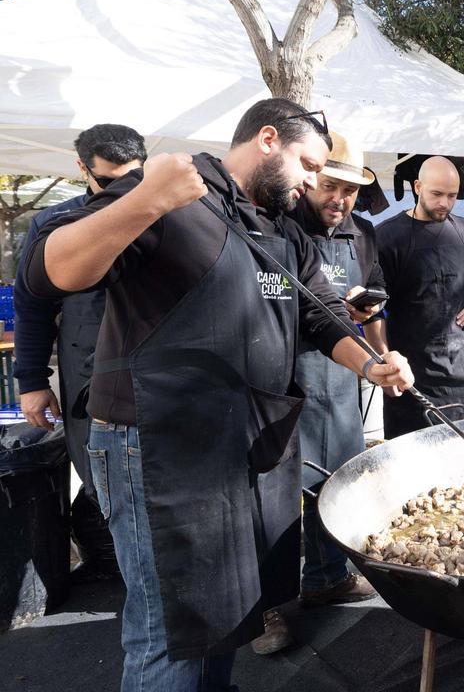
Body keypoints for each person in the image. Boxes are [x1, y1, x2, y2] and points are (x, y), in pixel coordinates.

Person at [20, 98, 415, 691]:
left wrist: (372, 363)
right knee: (172, 633)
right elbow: (48, 269)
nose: (314, 182)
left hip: (245, 446)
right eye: (308, 164)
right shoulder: (176, 194)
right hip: (157, 448)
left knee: (230, 614)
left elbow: (323, 314)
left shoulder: (283, 230)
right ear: (266, 139)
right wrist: (148, 197)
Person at [261, 132, 387, 653]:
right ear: (310, 180)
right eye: (332, 186)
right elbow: (266, 306)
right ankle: (264, 610)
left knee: (336, 484)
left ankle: (326, 579)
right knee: (275, 501)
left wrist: (379, 350)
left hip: (340, 381)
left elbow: (375, 307)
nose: (340, 200)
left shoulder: (361, 235)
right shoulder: (277, 230)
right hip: (284, 382)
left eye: (351, 192)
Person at [15, 123, 144, 584]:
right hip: (86, 375)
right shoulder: (56, 224)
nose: (120, 191)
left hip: (154, 375)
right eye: (107, 182)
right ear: (82, 170)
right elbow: (32, 304)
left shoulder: (165, 214)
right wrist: (31, 382)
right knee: (102, 483)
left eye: (132, 178)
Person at [376, 156, 464, 437]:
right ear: (418, 187)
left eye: (452, 196)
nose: (444, 202)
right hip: (413, 376)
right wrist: (383, 360)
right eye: (436, 194)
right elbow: (373, 311)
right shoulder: (387, 238)